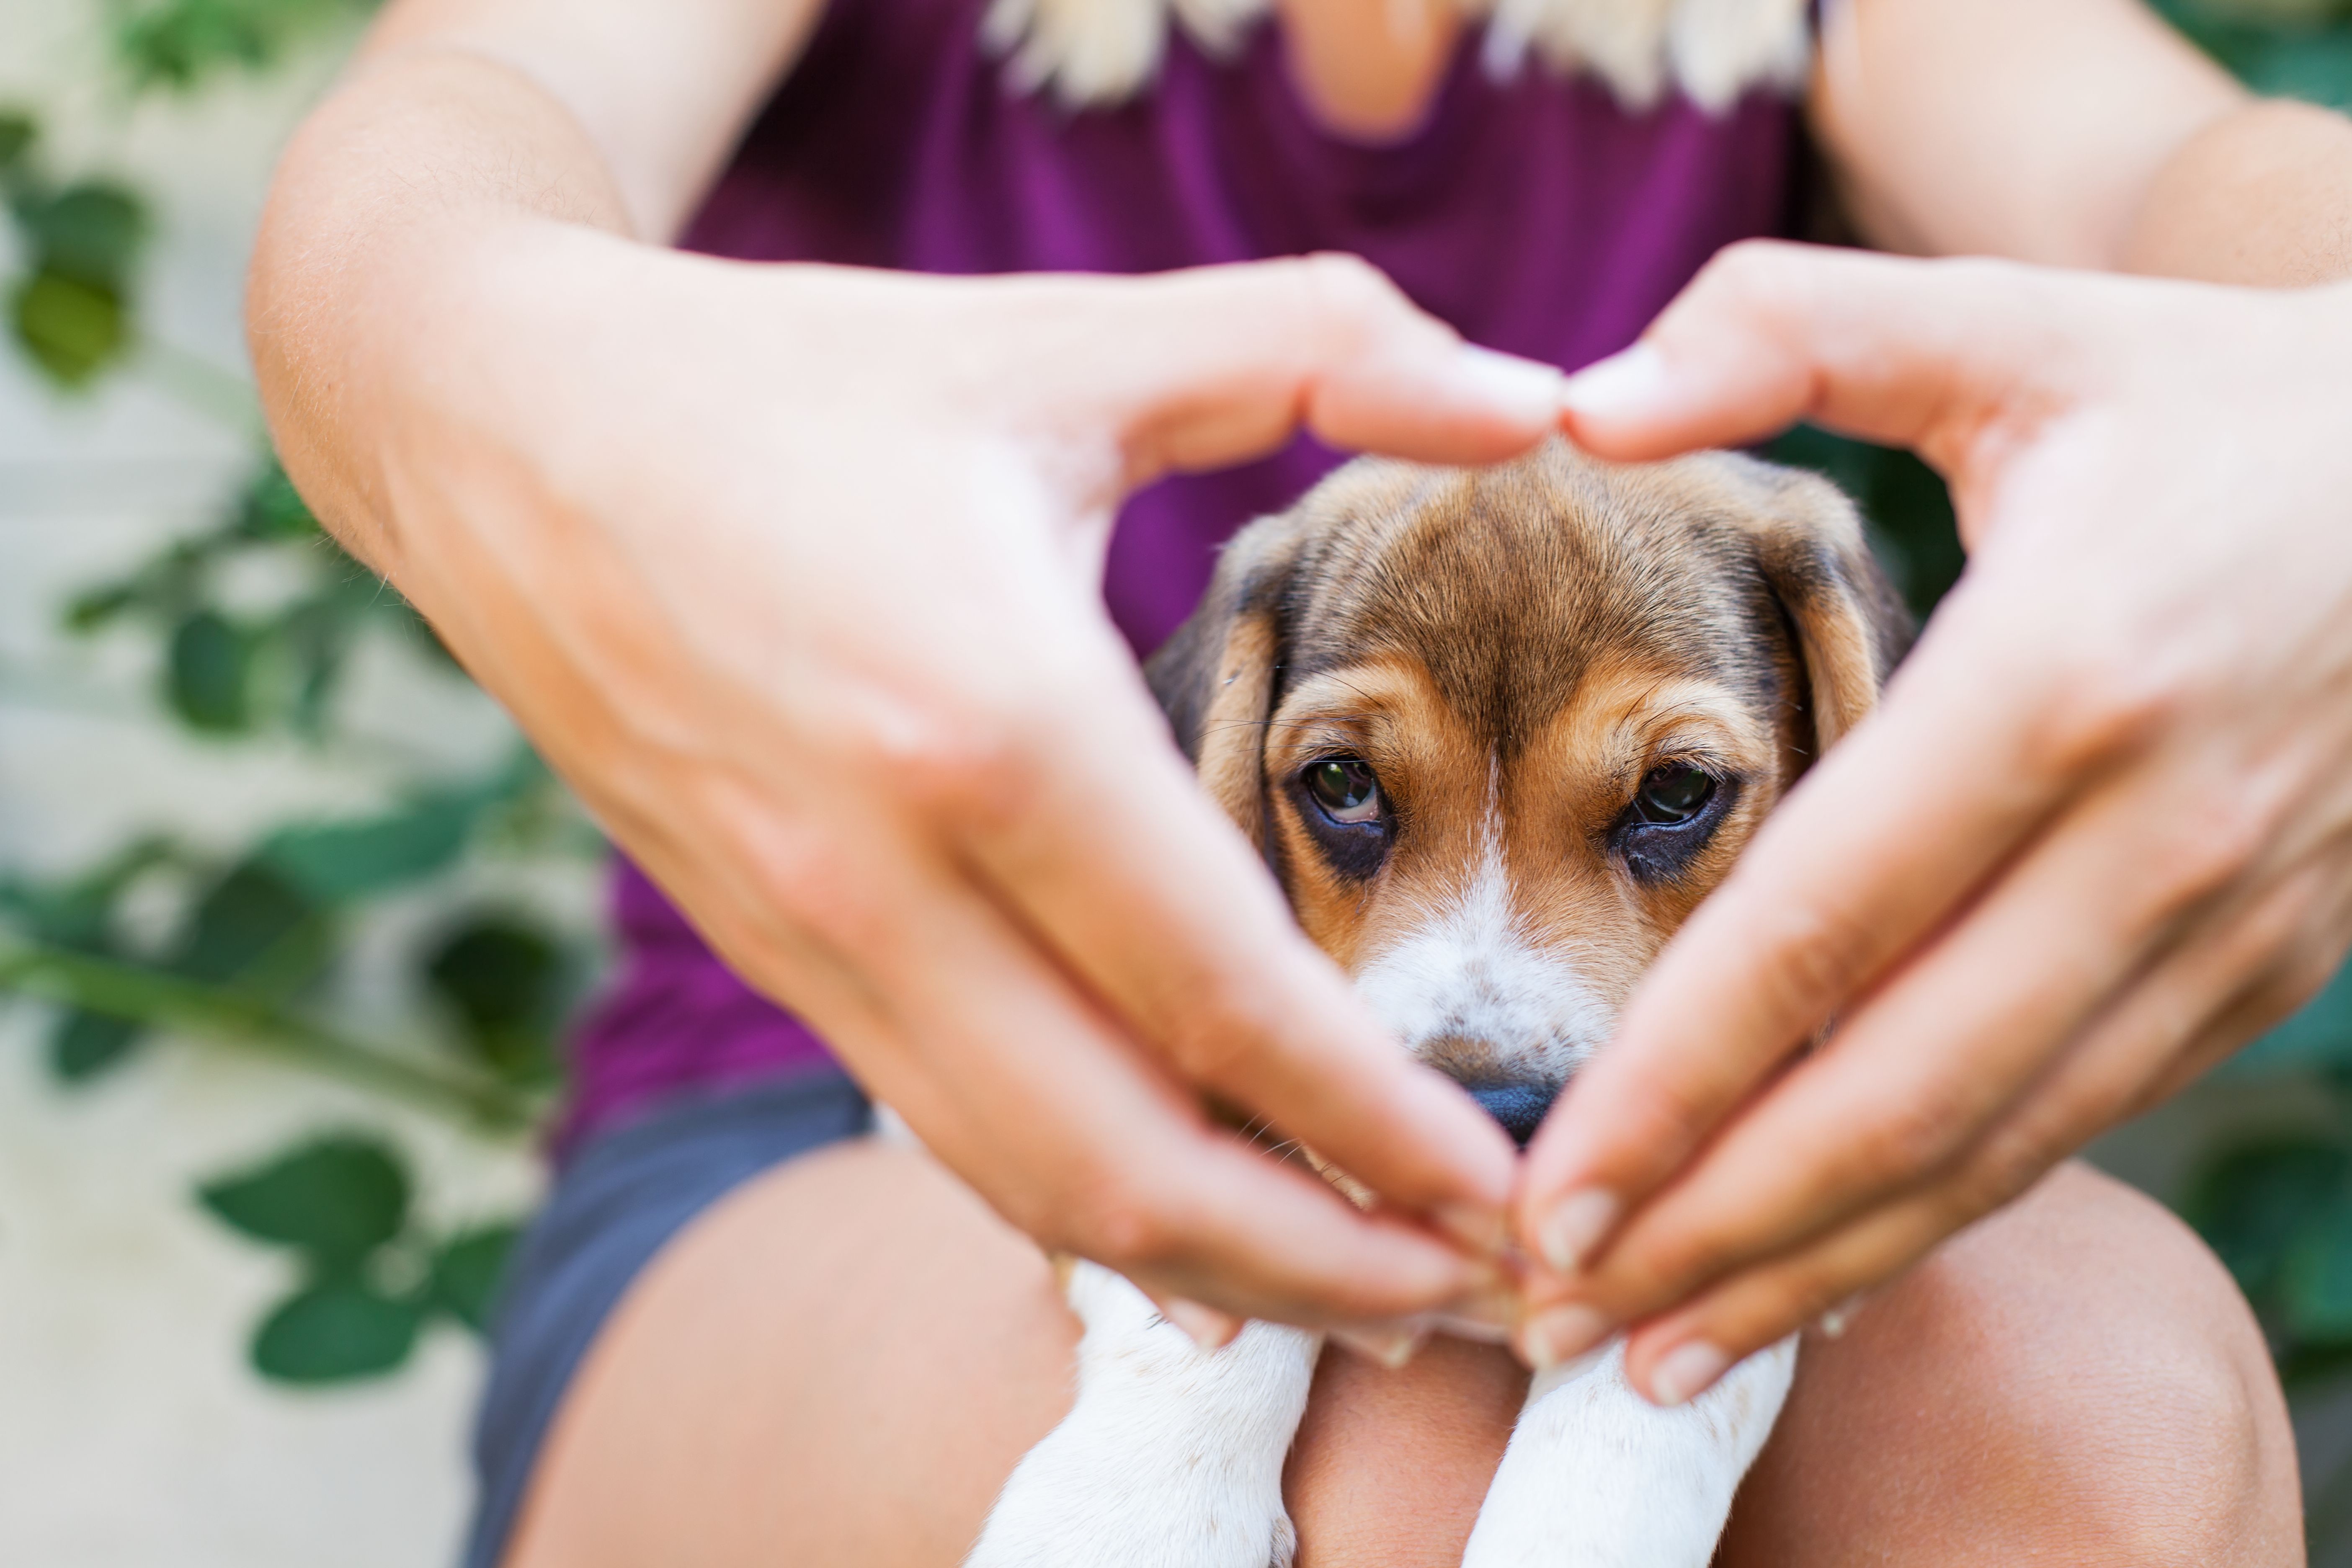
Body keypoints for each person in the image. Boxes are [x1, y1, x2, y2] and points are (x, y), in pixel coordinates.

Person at [243, 0, 2352, 1561]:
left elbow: (2189, 176)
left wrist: (2321, 405)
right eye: (1341, 791)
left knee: (2103, 1421)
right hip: (819, 1093)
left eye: (1676, 799)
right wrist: (494, 370)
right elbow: (452, 136)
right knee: (1418, 1473)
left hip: (1657, 1104)